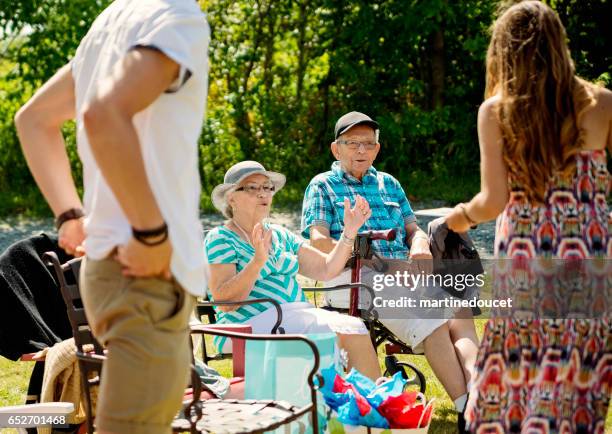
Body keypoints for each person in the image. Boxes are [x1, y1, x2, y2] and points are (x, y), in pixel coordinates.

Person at [14, 0, 210, 432]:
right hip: (144, 272)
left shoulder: (111, 23)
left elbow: (35, 120)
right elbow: (102, 114)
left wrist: (70, 215)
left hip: (110, 271)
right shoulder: (176, 17)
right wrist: (151, 235)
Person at [445, 2, 611, 432]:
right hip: (589, 256)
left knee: (521, 364)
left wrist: (458, 218)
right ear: (560, 44)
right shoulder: (602, 103)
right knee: (576, 367)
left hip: (527, 255)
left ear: (504, 51)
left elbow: (492, 201)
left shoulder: (496, 112)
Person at [301, 111, 479, 430]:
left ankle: (481, 395)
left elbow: (414, 228)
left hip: (405, 273)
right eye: (352, 143)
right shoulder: (322, 186)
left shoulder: (389, 184)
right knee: (434, 319)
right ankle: (468, 410)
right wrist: (381, 262)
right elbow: (320, 243)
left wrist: (421, 245)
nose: (361, 150)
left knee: (460, 312)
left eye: (368, 144)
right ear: (335, 149)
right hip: (353, 278)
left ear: (377, 149)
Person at [205, 161, 381, 380]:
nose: (264, 194)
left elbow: (327, 268)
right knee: (323, 330)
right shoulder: (220, 238)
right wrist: (257, 262)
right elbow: (223, 300)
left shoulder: (279, 235)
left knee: (354, 326)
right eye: (253, 188)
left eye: (267, 187)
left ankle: (372, 406)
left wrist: (350, 231)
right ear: (232, 198)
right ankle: (325, 405)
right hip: (245, 325)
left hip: (294, 315)